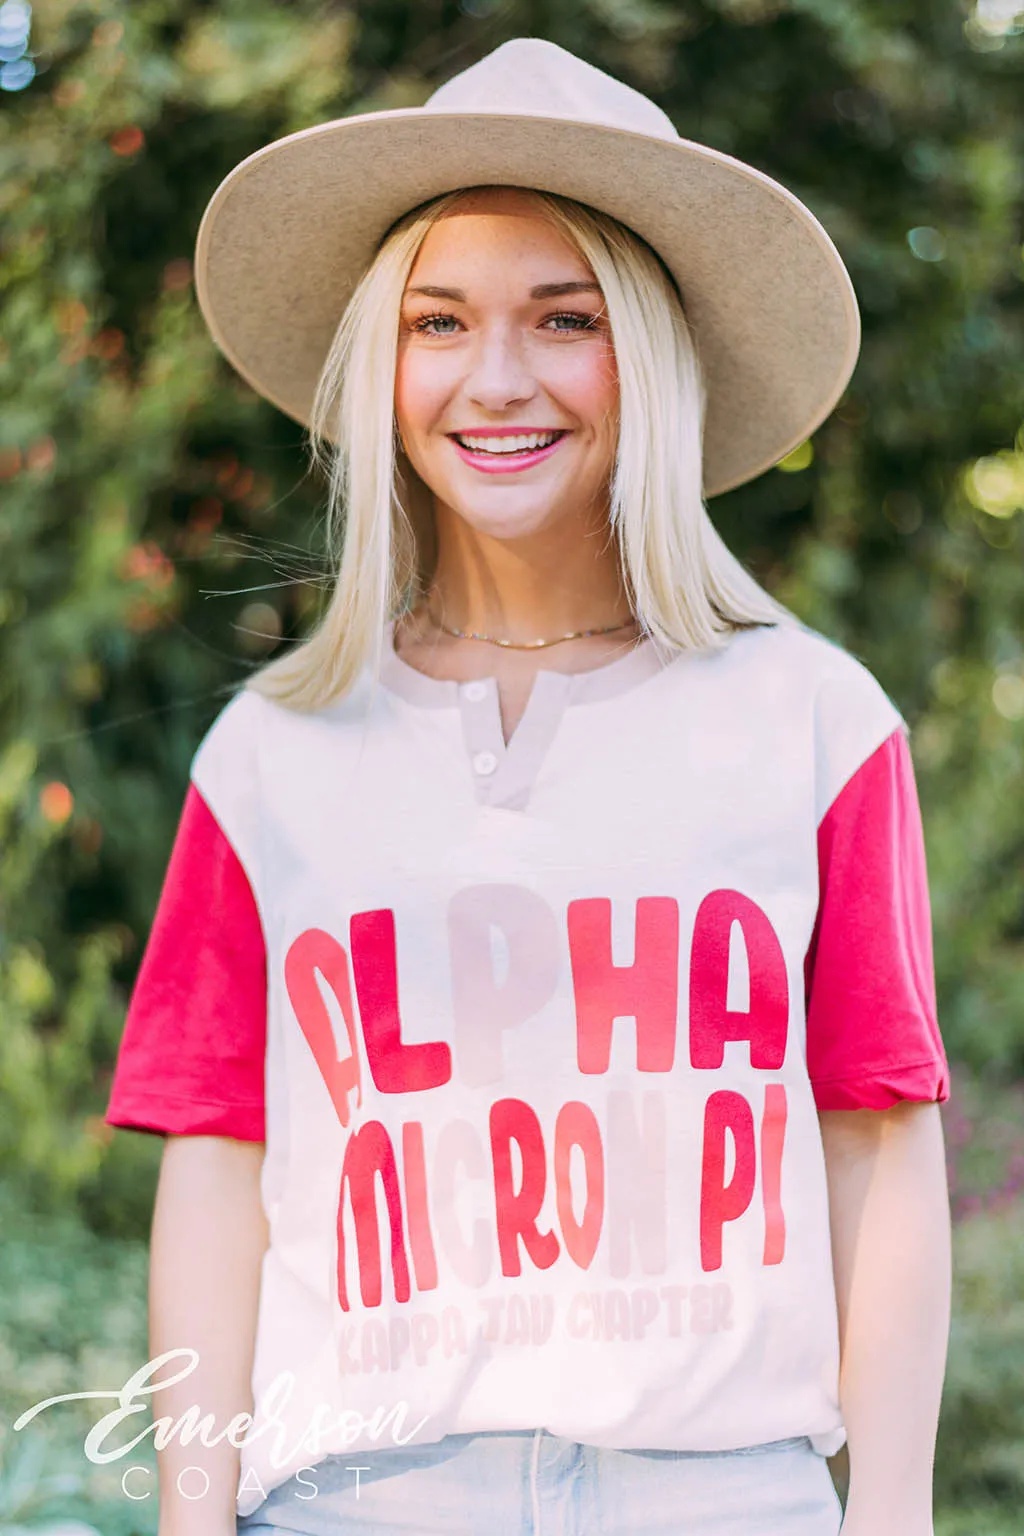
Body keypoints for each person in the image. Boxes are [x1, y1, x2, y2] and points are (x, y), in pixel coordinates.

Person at [104, 37, 952, 1536]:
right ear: (386, 362)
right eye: (441, 321)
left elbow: (878, 1141)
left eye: (565, 319)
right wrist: (193, 1516)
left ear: (648, 351)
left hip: (719, 1503)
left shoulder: (814, 722)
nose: (495, 380)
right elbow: (218, 1165)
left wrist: (888, 1521)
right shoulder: (270, 756)